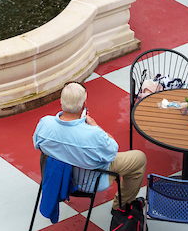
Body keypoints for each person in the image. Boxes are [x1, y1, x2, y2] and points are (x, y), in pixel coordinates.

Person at [33, 83, 148, 212]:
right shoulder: (93, 134)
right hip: (88, 183)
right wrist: (95, 126)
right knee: (139, 158)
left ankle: (122, 205)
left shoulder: (44, 124)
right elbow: (111, 151)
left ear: (61, 101)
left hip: (57, 178)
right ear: (83, 105)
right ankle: (120, 206)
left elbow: (37, 144)